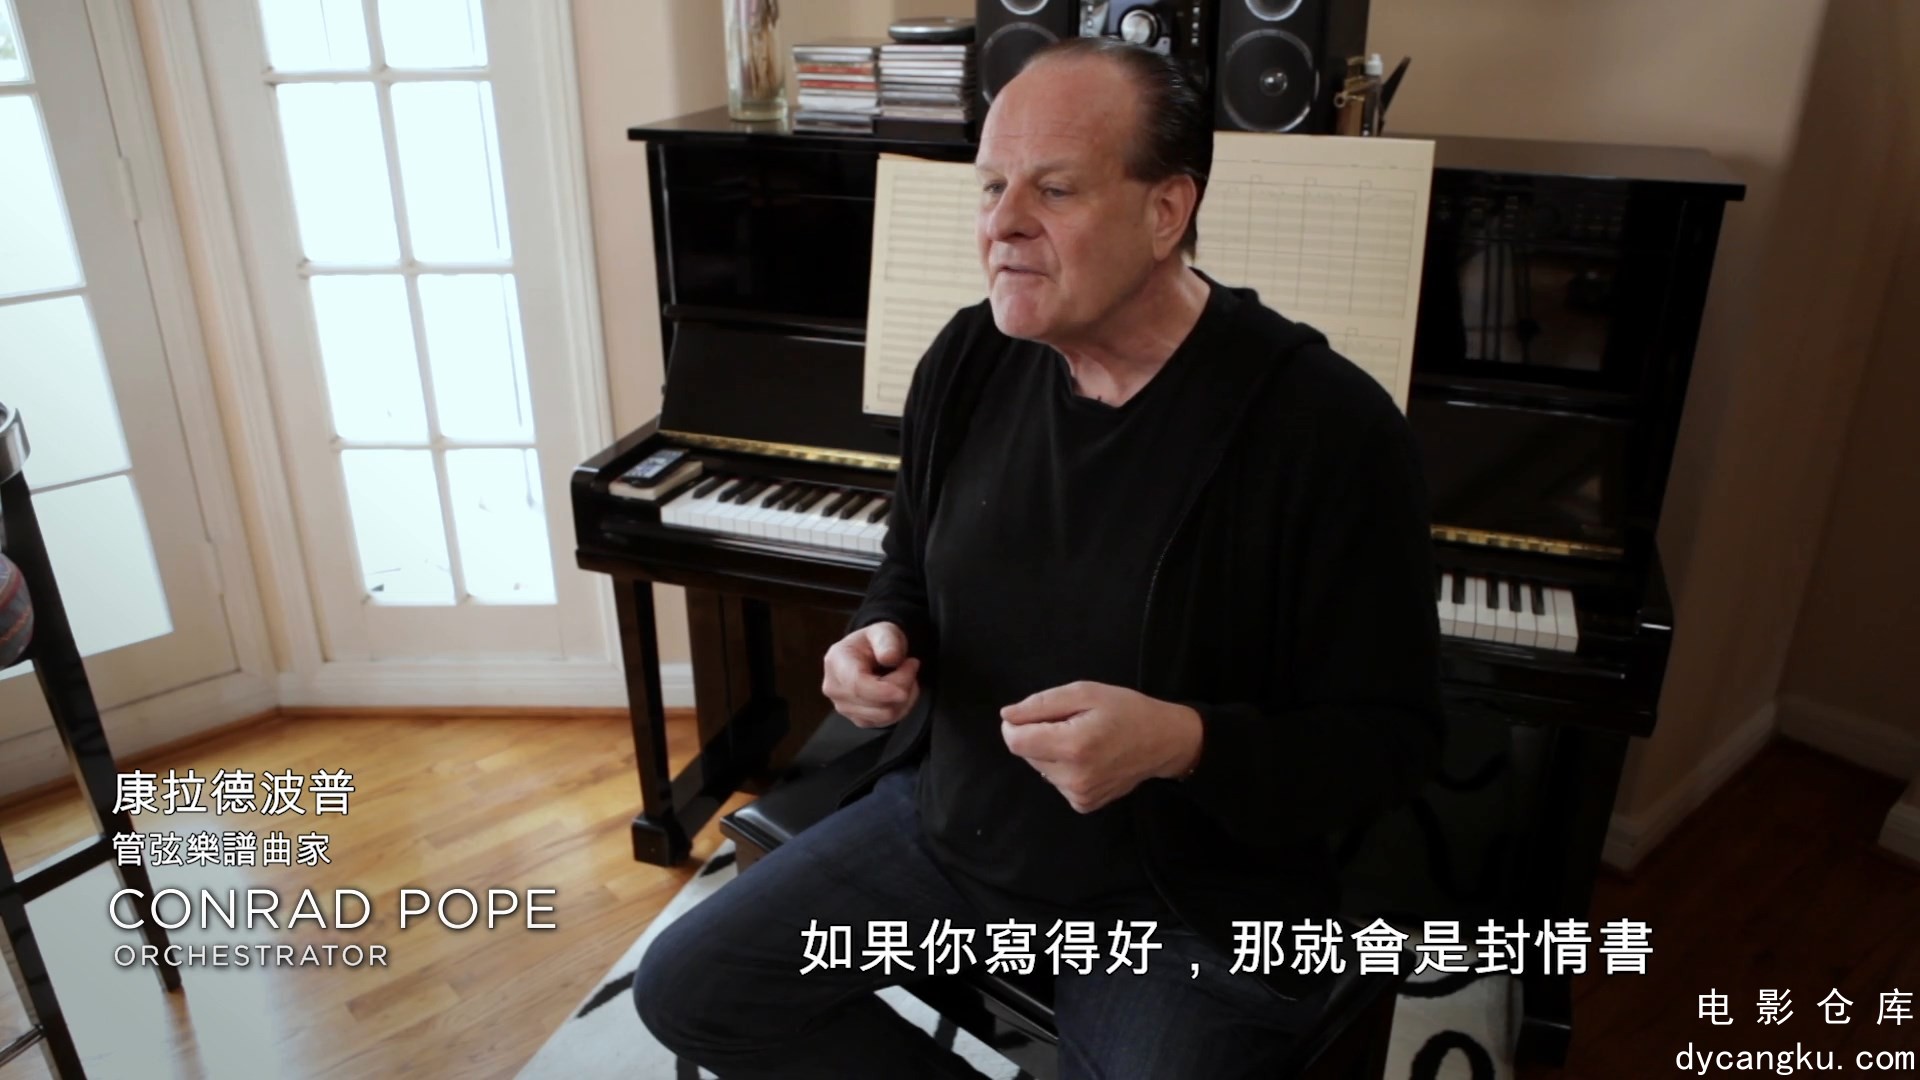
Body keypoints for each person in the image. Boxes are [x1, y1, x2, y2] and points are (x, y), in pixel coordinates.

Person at [634, 36, 1445, 1079]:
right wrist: (877, 637)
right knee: (693, 987)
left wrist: (1183, 743)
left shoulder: (1327, 428)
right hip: (951, 828)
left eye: (1053, 190)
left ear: (1167, 210)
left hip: (1175, 900)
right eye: (991, 187)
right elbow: (908, 566)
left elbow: (1391, 744)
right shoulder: (969, 357)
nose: (1003, 223)